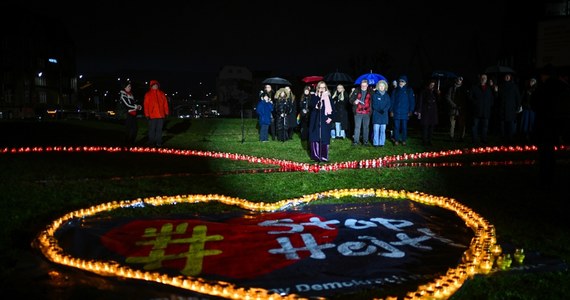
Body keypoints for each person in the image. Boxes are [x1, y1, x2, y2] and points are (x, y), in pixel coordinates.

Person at [308, 81, 334, 162]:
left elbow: (333, 109)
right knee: (315, 136)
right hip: (315, 119)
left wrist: (330, 117)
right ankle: (315, 155)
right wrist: (316, 105)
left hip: (325, 120)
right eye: (320, 87)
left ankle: (323, 156)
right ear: (317, 88)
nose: (322, 89)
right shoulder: (314, 96)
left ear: (325, 88)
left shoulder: (329, 97)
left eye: (323, 87)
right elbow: (311, 105)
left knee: (324, 136)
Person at [390, 75, 415, 146]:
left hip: (405, 112)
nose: (401, 82)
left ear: (406, 82)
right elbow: (392, 101)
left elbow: (412, 101)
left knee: (404, 127)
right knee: (396, 127)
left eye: (403, 81)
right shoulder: (395, 90)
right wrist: (391, 110)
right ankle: (396, 140)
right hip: (396, 111)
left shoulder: (409, 90)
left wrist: (411, 110)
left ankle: (404, 140)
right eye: (400, 81)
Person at [143, 79, 169, 147]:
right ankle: (151, 141)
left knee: (159, 130)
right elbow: (146, 105)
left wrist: (166, 112)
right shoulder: (148, 94)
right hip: (152, 115)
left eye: (156, 85)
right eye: (154, 85)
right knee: (152, 129)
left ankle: (158, 142)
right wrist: (147, 114)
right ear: (151, 86)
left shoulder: (162, 93)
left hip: (161, 115)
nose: (155, 86)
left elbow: (165, 104)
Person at [469, 74, 494, 144]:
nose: (483, 79)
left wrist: (489, 105)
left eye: (485, 78)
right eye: (482, 77)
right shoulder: (474, 87)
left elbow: (492, 98)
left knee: (485, 127)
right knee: (474, 126)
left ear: (486, 80)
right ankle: (474, 139)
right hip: (477, 111)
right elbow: (470, 97)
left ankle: (484, 139)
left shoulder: (489, 88)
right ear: (480, 78)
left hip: (486, 111)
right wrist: (475, 103)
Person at [497, 73, 522, 144]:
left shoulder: (514, 86)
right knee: (502, 125)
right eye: (506, 76)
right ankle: (503, 138)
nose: (507, 77)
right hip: (502, 108)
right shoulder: (501, 86)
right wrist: (496, 91)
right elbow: (498, 97)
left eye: (508, 76)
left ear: (510, 77)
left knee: (510, 125)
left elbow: (518, 97)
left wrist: (518, 106)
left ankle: (510, 138)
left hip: (511, 109)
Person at [416, 79, 440, 146]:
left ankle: (430, 140)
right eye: (431, 85)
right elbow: (420, 101)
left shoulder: (435, 92)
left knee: (431, 127)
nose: (432, 86)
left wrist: (438, 94)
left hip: (433, 112)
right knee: (425, 127)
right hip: (426, 112)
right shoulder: (424, 91)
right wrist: (419, 111)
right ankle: (424, 140)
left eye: (433, 85)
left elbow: (438, 102)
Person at [350, 79, 373, 146]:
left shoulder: (371, 91)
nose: (363, 87)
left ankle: (365, 142)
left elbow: (374, 100)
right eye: (362, 85)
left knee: (366, 127)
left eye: (365, 86)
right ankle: (355, 142)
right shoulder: (356, 90)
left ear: (367, 85)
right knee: (357, 127)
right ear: (360, 85)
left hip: (367, 112)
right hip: (358, 112)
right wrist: (354, 102)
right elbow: (351, 99)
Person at [446, 76, 469, 142]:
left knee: (462, 124)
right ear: (456, 80)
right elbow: (448, 98)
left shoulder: (464, 89)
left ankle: (461, 137)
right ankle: (451, 136)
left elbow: (466, 99)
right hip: (453, 109)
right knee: (452, 124)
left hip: (462, 109)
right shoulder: (451, 88)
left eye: (461, 80)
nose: (459, 80)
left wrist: (462, 106)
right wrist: (454, 105)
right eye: (458, 79)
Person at [118, 81, 142, 145]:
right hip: (128, 115)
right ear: (124, 87)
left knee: (135, 129)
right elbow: (128, 105)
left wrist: (138, 106)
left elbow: (132, 104)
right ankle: (126, 144)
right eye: (128, 86)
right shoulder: (123, 95)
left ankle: (131, 143)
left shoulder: (130, 94)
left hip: (133, 114)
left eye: (130, 86)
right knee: (128, 130)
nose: (130, 87)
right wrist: (137, 107)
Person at [371, 80, 391, 147]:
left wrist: (384, 110)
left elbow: (388, 104)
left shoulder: (387, 95)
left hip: (384, 115)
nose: (382, 87)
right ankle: (376, 143)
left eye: (383, 86)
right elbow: (374, 104)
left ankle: (382, 143)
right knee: (376, 130)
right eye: (380, 86)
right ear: (378, 87)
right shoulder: (375, 95)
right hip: (376, 115)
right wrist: (379, 110)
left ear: (385, 87)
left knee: (383, 130)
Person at [519, 77, 537, 143]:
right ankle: (524, 136)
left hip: (533, 109)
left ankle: (531, 136)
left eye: (533, 81)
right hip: (526, 108)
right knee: (525, 123)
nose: (531, 82)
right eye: (530, 81)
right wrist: (522, 104)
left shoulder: (536, 90)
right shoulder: (526, 89)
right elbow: (522, 98)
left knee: (532, 123)